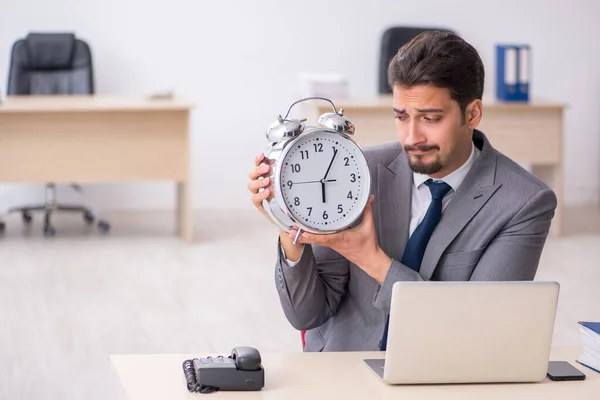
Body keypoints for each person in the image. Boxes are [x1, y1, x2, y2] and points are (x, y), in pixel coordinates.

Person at [248, 31, 557, 352]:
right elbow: (307, 314)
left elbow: (479, 330)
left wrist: (371, 259)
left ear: (472, 114)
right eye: (401, 116)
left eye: (430, 118)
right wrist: (286, 219)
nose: (412, 136)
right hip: (345, 367)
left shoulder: (523, 202)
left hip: (445, 370)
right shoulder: (358, 171)